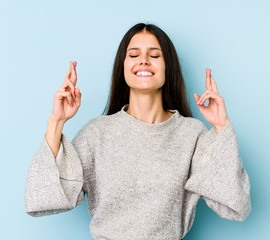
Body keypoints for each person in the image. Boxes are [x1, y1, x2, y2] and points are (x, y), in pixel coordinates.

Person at [24, 23, 251, 240]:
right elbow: (42, 197)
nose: (143, 61)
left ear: (168, 67)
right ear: (123, 67)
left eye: (154, 56)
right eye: (133, 55)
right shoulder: (97, 133)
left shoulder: (192, 134)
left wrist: (221, 126)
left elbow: (234, 203)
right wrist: (57, 121)